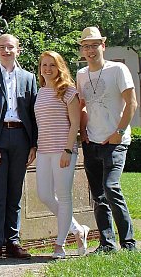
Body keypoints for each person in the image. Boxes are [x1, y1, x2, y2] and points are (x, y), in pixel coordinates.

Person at [77, 26, 138, 253]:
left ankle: (129, 243)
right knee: (98, 195)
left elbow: (131, 104)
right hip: (91, 141)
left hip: (115, 141)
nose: (90, 50)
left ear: (103, 46)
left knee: (111, 187)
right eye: (86, 46)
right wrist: (83, 132)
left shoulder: (118, 69)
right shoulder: (81, 74)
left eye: (94, 45)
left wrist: (119, 133)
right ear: (82, 50)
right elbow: (82, 106)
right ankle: (107, 244)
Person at [0, 34, 37, 262]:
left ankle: (13, 241)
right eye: (2, 47)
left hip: (21, 139)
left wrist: (33, 144)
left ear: (18, 50)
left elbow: (34, 113)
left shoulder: (29, 77)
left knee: (15, 193)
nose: (6, 51)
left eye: (10, 47)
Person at [35, 51, 90, 259]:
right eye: (44, 65)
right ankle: (78, 230)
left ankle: (60, 244)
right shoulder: (40, 92)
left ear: (60, 67)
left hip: (63, 150)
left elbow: (75, 123)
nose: (48, 69)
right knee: (44, 195)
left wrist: (68, 150)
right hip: (43, 151)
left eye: (52, 65)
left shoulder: (68, 91)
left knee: (64, 197)